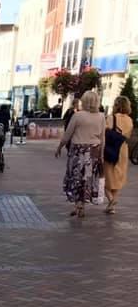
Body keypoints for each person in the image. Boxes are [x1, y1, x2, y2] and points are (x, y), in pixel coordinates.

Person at [55, 89, 106, 218]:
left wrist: (60, 146)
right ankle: (81, 205)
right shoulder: (101, 117)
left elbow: (68, 134)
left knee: (76, 177)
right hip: (94, 150)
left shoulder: (78, 116)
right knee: (87, 179)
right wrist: (101, 154)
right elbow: (102, 137)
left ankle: (77, 204)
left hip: (78, 151)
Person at [103, 95, 134, 215]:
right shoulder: (129, 120)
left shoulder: (111, 118)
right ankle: (112, 206)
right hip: (123, 149)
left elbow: (105, 131)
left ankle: (111, 200)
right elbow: (128, 135)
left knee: (107, 177)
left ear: (116, 105)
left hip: (111, 149)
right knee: (118, 177)